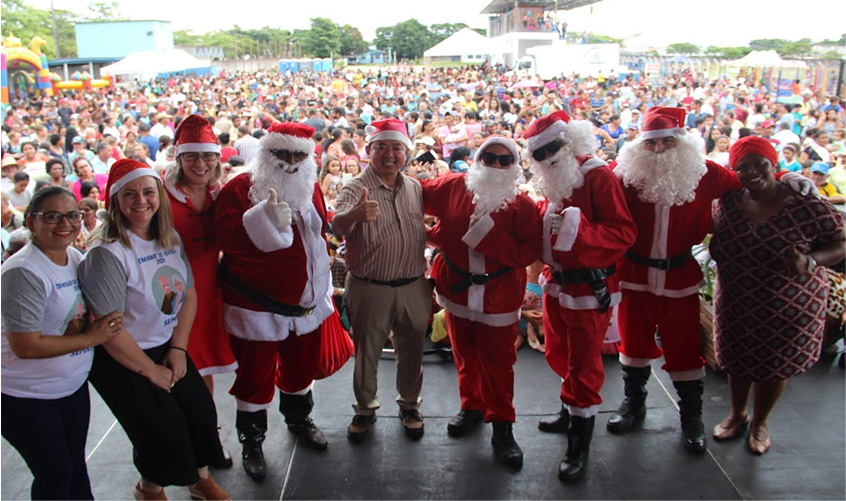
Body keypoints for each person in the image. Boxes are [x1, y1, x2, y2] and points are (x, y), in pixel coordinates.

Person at [608, 107, 812, 453]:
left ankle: (691, 417)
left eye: (668, 141)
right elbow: (594, 188)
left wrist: (786, 177)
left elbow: (749, 179)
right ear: (640, 144)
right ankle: (634, 404)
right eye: (652, 143)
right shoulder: (624, 173)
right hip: (635, 274)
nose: (659, 150)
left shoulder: (705, 173)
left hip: (679, 276)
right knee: (634, 343)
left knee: (685, 346)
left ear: (682, 142)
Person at [77, 159, 229, 500]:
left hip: (164, 344)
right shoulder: (108, 253)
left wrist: (177, 349)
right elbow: (110, 329)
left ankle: (199, 479)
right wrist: (150, 370)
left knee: (201, 413)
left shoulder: (168, 237)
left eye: (148, 192)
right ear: (114, 200)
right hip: (122, 356)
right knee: (162, 427)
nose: (141, 201)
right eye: (129, 194)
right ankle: (149, 489)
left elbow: (188, 293)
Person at [215, 122, 338, 479]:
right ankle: (252, 441)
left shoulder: (310, 185)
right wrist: (261, 220)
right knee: (254, 378)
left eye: (298, 154)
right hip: (257, 307)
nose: (289, 162)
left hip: (307, 306)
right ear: (266, 153)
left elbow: (318, 235)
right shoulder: (240, 188)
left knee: (301, 370)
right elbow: (226, 237)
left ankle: (299, 420)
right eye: (281, 153)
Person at [710, 136, 845, 454]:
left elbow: (841, 241)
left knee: (774, 365)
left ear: (775, 165)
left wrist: (811, 261)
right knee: (737, 360)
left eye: (761, 164)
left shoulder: (805, 202)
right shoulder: (729, 199)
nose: (752, 172)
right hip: (737, 299)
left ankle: (760, 422)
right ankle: (737, 414)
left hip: (788, 304)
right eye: (743, 167)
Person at [527, 110, 637, 481]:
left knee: (585, 363)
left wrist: (579, 228)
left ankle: (579, 443)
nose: (548, 158)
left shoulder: (597, 175)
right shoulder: (554, 178)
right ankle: (568, 407)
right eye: (539, 154)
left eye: (553, 148)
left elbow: (622, 233)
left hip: (589, 286)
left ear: (571, 139)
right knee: (558, 352)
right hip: (556, 283)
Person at [420, 135, 542, 469]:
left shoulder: (522, 203)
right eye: (489, 157)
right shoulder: (454, 186)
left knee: (499, 363)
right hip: (457, 287)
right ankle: (471, 406)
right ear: (477, 159)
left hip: (499, 293)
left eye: (505, 160)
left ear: (514, 166)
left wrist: (490, 238)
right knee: (465, 354)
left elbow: (529, 252)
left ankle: (502, 425)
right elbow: (415, 195)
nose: (496, 165)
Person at [1, 187, 123, 500]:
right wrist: (91, 338)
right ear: (31, 221)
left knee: (74, 468)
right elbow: (25, 347)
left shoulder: (73, 257)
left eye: (71, 215)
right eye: (52, 216)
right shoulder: (23, 271)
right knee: (55, 475)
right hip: (26, 396)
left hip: (69, 388)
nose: (64, 223)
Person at [332, 119, 431, 443]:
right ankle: (364, 409)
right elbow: (337, 228)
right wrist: (354, 215)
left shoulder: (415, 187)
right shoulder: (354, 187)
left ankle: (410, 406)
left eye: (396, 148)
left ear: (406, 152)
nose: (390, 155)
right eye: (382, 148)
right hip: (370, 286)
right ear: (369, 151)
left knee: (413, 349)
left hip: (413, 285)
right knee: (367, 353)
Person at [164, 115, 238, 468]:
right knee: (174, 370)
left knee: (203, 371)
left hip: (209, 291)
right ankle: (178, 444)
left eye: (208, 157)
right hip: (169, 295)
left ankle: (207, 438)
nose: (201, 164)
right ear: (179, 159)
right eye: (192, 157)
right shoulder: (160, 195)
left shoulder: (221, 192)